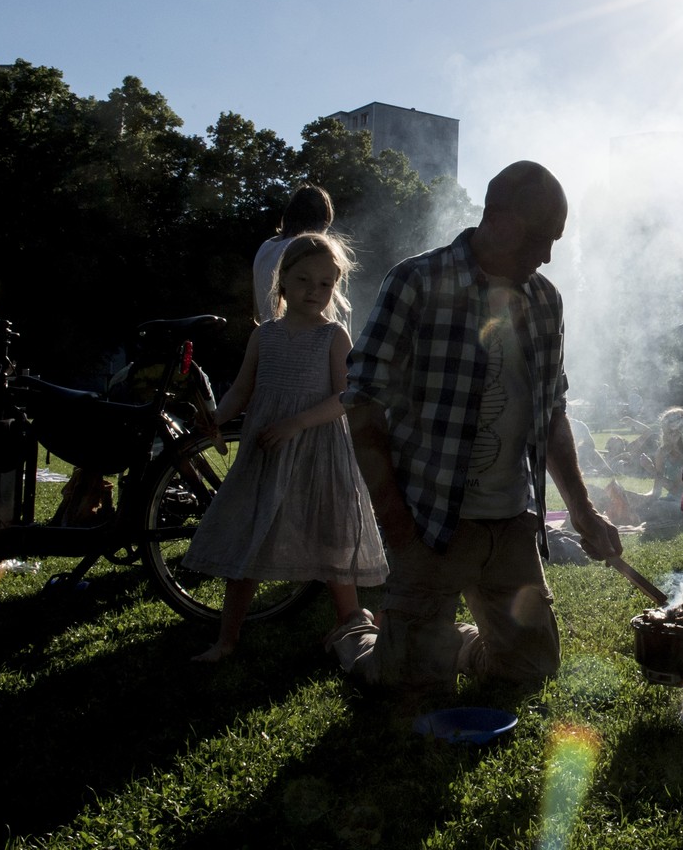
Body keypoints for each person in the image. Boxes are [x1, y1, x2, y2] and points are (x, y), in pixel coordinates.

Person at [331, 161, 622, 692]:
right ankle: (357, 633)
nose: (549, 255)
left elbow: (551, 410)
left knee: (530, 669)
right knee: (407, 684)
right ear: (504, 222)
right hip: (432, 518)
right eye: (543, 239)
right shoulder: (417, 281)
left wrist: (582, 509)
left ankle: (451, 640)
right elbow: (363, 402)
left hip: (510, 521)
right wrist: (397, 525)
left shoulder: (544, 299)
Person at [184, 233, 388, 662]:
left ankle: (350, 623)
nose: (314, 291)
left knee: (332, 539)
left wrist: (298, 422)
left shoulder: (334, 337)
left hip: (320, 453)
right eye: (303, 280)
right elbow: (242, 389)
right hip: (269, 453)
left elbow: (345, 397)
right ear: (282, 282)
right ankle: (227, 639)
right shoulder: (265, 337)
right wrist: (216, 419)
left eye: (325, 284)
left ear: (335, 288)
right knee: (251, 539)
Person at [253, 184, 335, 324]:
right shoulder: (311, 250)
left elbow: (257, 312)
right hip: (307, 341)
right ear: (323, 219)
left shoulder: (265, 248)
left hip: (268, 337)